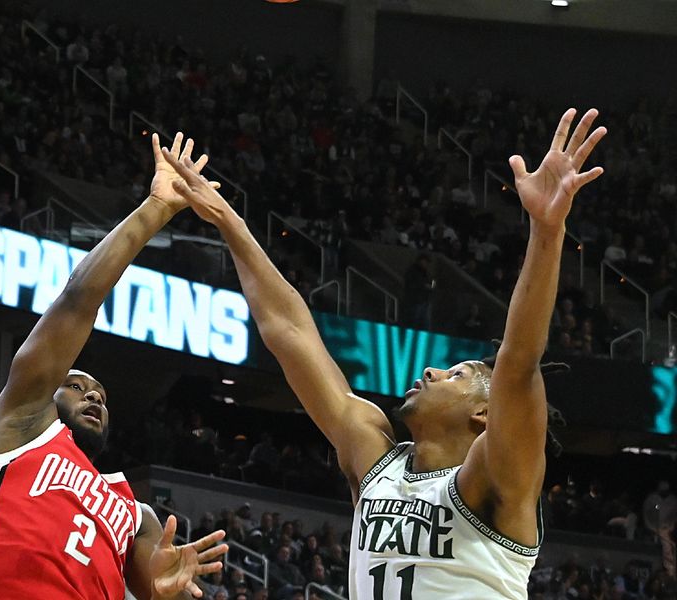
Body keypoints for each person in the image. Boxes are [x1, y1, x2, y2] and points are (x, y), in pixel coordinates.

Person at [162, 108, 606, 599]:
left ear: (485, 412)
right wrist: (227, 219)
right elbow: (289, 331)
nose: (432, 370)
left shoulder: (495, 477)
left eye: (457, 374)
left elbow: (519, 363)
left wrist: (546, 230)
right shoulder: (375, 458)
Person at [0, 133, 228, 600]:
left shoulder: (138, 517)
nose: (94, 395)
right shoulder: (23, 427)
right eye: (76, 385)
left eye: (101, 394)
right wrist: (156, 209)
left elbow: (162, 590)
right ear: (50, 396)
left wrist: (167, 593)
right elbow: (78, 300)